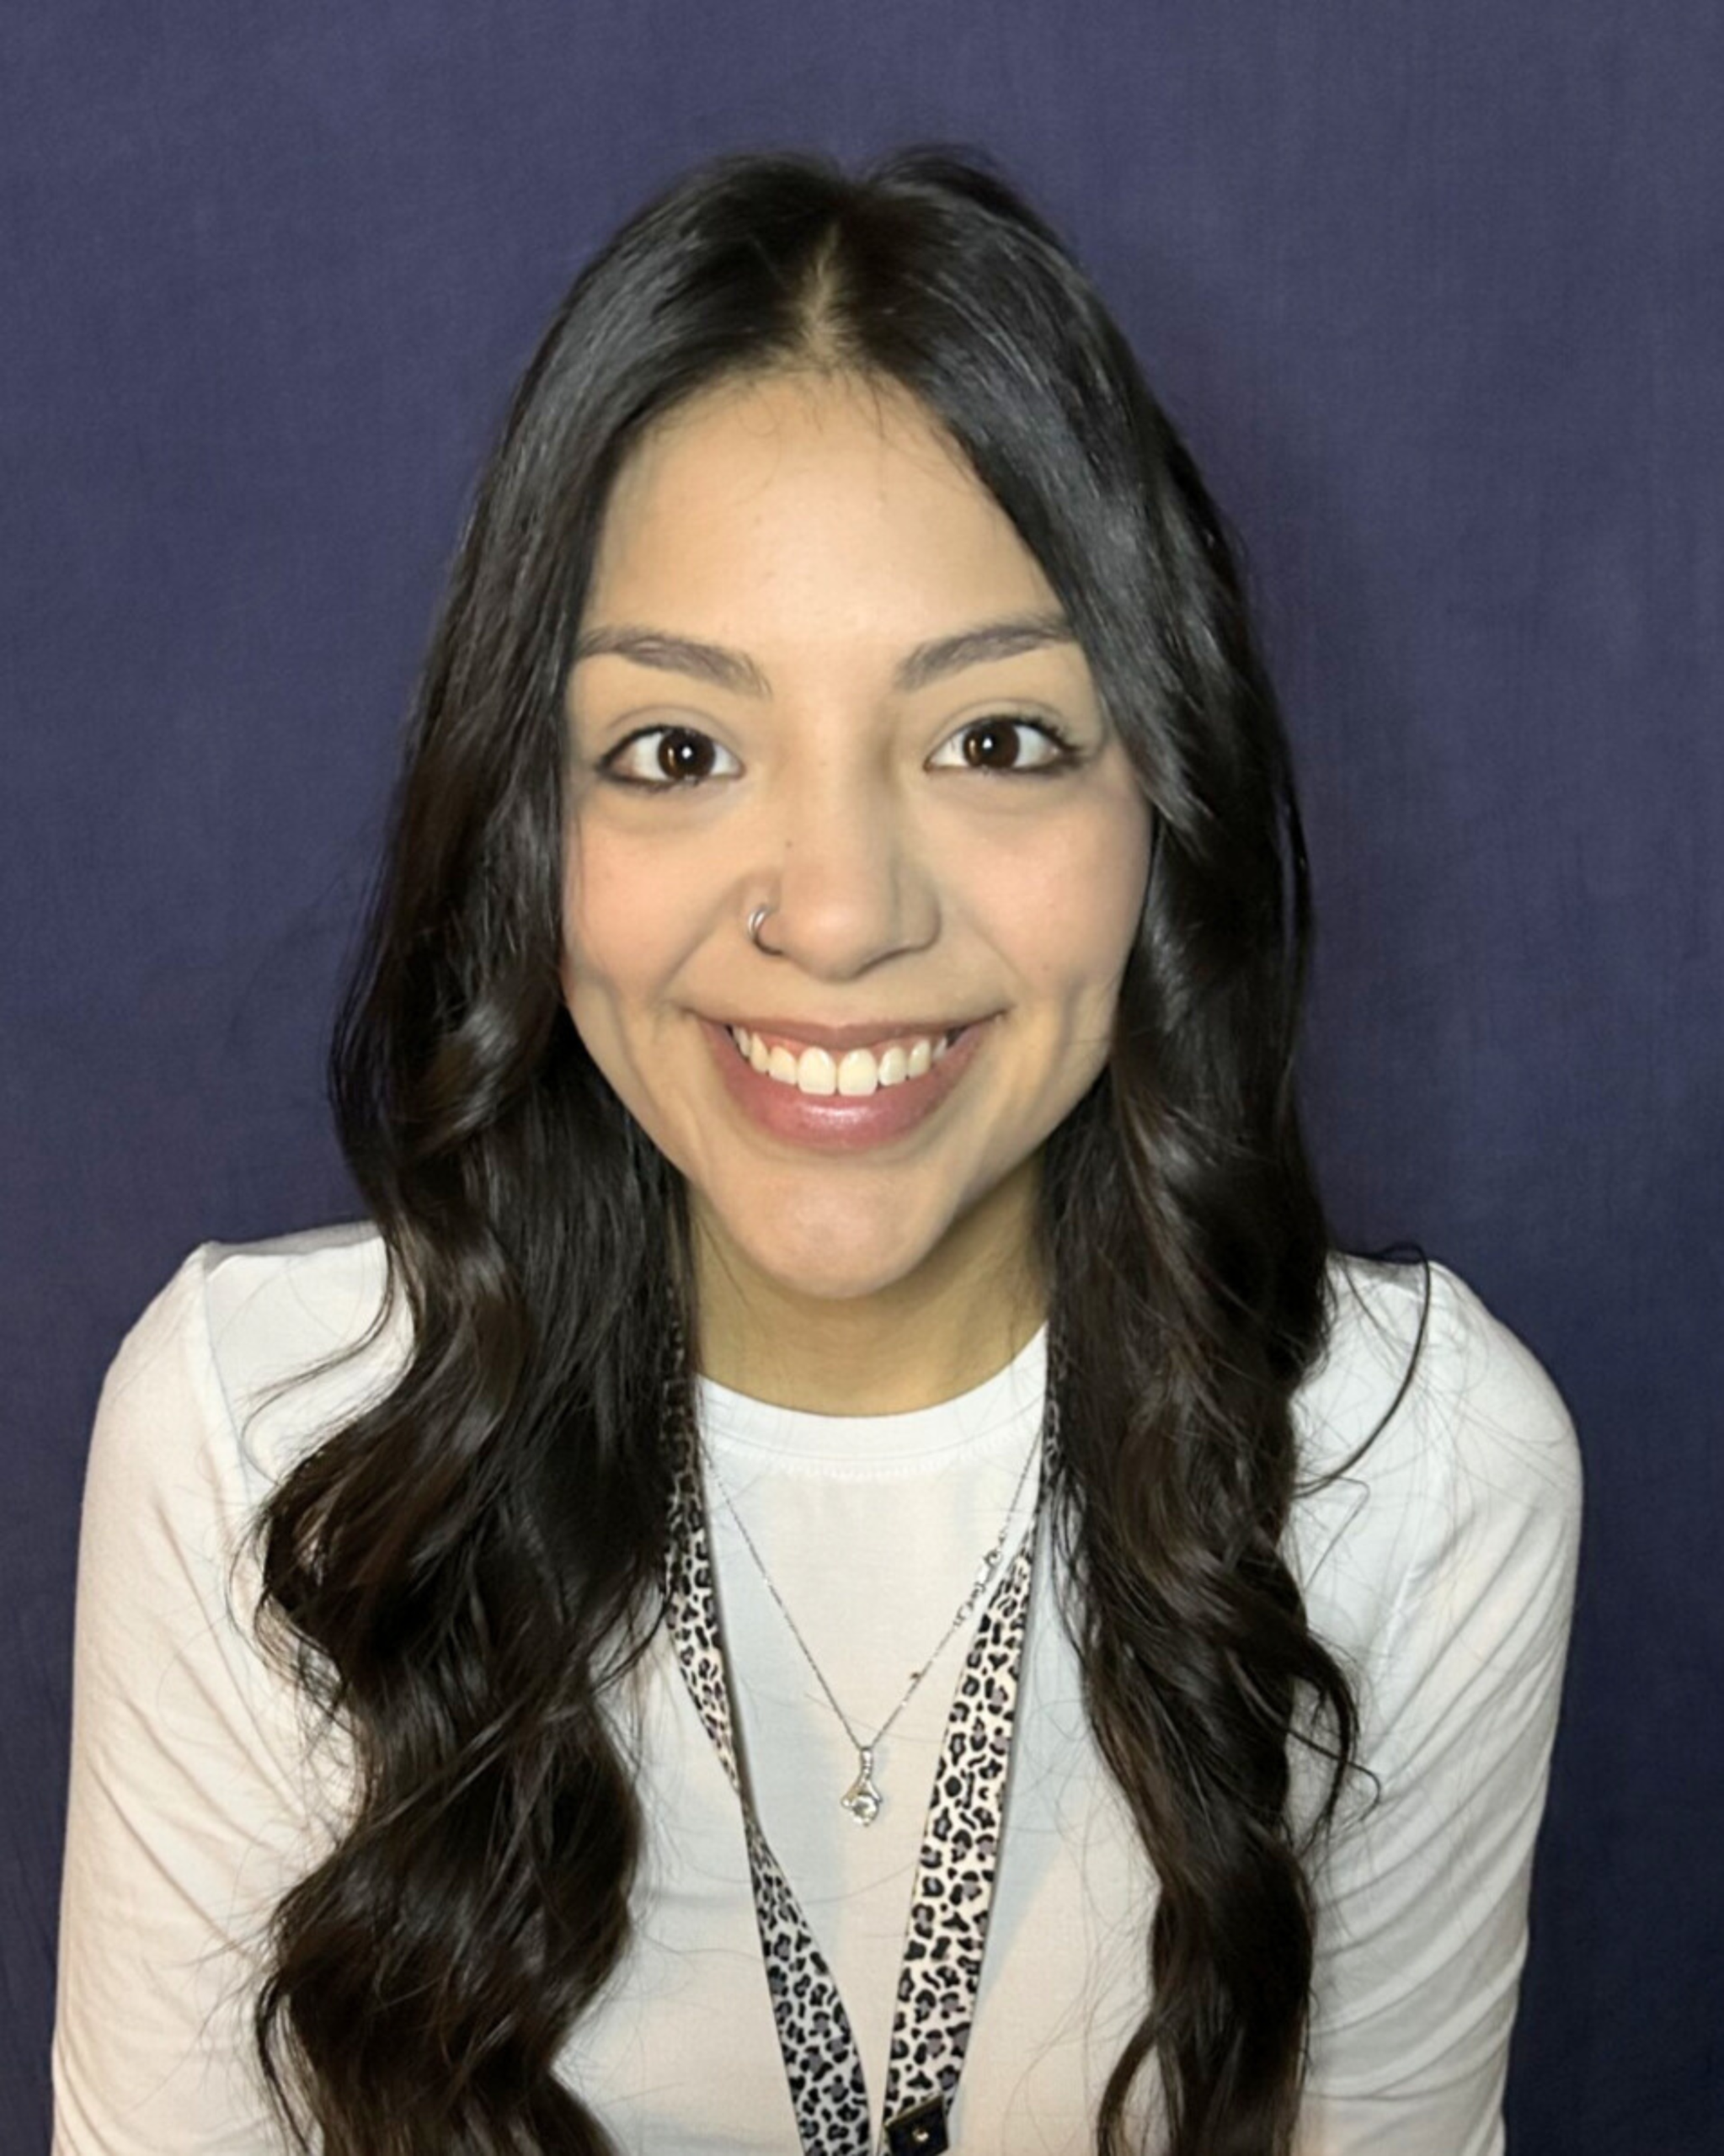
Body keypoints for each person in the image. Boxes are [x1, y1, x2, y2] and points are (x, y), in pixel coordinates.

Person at [51, 148, 1581, 2156]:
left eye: (996, 739)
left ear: (1163, 800)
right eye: (679, 750)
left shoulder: (1418, 1478)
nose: (840, 913)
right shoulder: (270, 1444)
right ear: (530, 824)